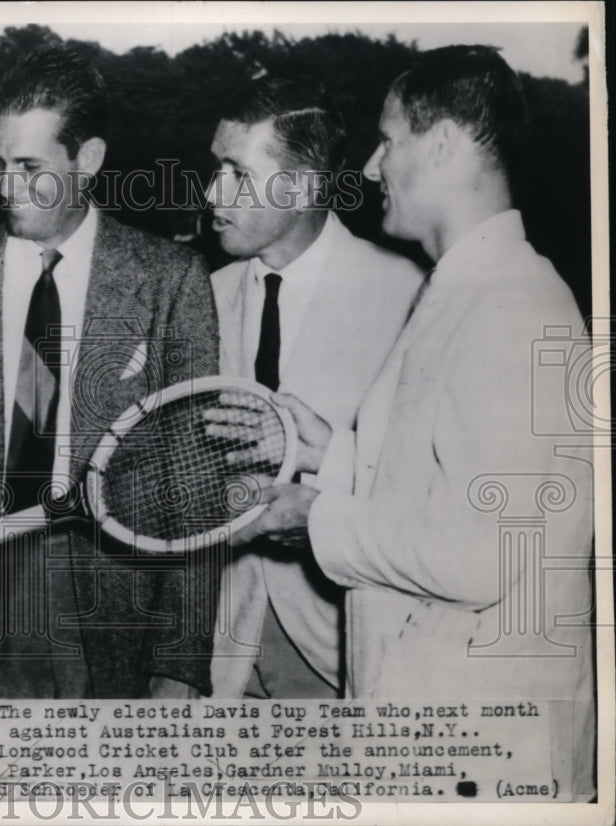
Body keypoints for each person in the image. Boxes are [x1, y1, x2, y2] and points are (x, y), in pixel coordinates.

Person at [237, 46, 595, 796]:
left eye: (388, 140)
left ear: (442, 143)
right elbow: (444, 488)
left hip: (484, 752)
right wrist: (327, 454)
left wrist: (316, 516)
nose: (369, 169)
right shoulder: (465, 288)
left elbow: (488, 554)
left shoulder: (513, 305)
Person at [0, 46, 220, 699]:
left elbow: (194, 489)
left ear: (89, 159)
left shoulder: (171, 281)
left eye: (29, 166)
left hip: (117, 620)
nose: (5, 185)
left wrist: (179, 663)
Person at [204, 76, 423, 698]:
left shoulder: (407, 294)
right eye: (215, 166)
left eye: (236, 173)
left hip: (344, 649)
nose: (212, 191)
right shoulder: (204, 297)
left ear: (300, 187)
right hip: (222, 650)